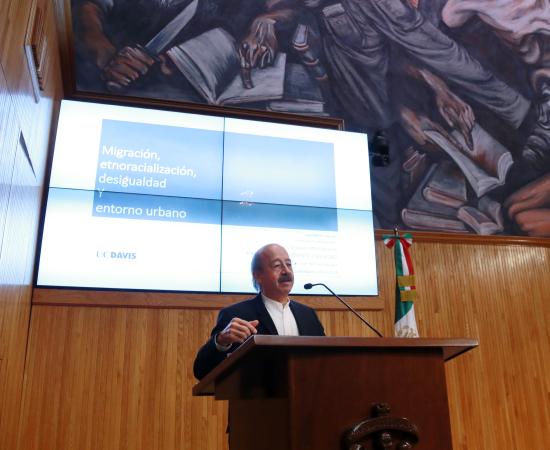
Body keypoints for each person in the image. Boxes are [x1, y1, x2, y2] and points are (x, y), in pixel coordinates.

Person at [193, 243, 325, 379]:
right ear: (257, 275)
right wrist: (221, 341)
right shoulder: (236, 314)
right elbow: (202, 371)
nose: (286, 271)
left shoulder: (308, 315)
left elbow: (325, 362)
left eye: (288, 264)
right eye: (277, 265)